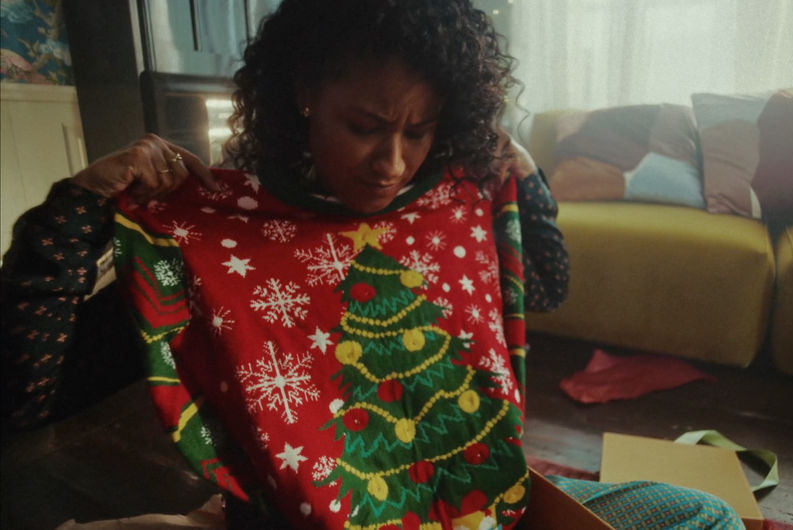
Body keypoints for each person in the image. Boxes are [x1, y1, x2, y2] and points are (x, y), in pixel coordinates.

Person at [1, 1, 742, 528]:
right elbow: (26, 397)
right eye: (365, 126)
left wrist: (523, 172)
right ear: (303, 93)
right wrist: (74, 210)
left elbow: (546, 282)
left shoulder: (444, 205)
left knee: (703, 515)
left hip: (480, 507)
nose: (392, 163)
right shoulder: (217, 243)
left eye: (419, 132)